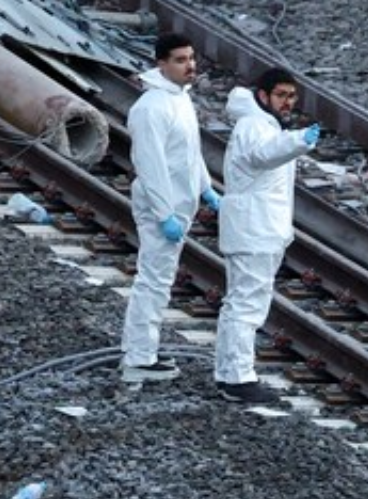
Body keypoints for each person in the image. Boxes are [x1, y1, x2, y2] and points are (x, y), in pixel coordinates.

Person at [214, 68, 322, 405]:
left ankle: (230, 374)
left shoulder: (266, 125)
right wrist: (299, 141)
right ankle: (238, 378)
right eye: (281, 95)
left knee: (245, 302)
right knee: (246, 304)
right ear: (263, 96)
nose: (288, 103)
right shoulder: (255, 126)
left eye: (291, 96)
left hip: (260, 229)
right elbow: (264, 155)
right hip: (253, 229)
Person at [122, 34, 220, 385]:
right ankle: (139, 357)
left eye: (191, 58)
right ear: (161, 64)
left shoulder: (180, 99)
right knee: (153, 279)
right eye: (180, 59)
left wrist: (206, 188)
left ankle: (143, 351)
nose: (190, 65)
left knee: (160, 279)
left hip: (180, 202)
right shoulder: (150, 108)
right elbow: (151, 165)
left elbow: (188, 152)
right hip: (162, 206)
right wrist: (164, 214)